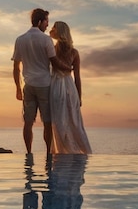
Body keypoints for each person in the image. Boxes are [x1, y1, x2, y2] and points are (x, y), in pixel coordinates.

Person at [12, 9, 70, 155]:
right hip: (44, 85)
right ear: (40, 21)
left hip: (29, 85)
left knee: (28, 122)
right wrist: (68, 68)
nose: (47, 26)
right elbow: (54, 61)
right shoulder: (46, 40)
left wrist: (18, 89)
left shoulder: (20, 39)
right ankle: (48, 155)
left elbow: (16, 68)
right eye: (46, 22)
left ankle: (29, 152)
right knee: (47, 122)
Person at [48, 21, 92, 154]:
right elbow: (77, 77)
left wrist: (79, 97)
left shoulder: (51, 49)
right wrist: (79, 96)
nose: (51, 29)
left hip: (56, 85)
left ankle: (60, 152)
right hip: (69, 86)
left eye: (54, 27)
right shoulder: (74, 52)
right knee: (74, 120)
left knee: (58, 122)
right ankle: (80, 151)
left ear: (60, 31)